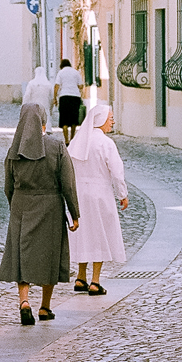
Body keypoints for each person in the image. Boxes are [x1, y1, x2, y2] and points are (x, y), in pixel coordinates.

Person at [0, 103, 81, 325]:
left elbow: (8, 186)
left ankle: (24, 302)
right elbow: (68, 184)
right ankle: (45, 307)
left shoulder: (13, 151)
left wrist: (15, 206)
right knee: (49, 255)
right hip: (51, 206)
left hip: (21, 206)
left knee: (21, 256)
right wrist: (74, 213)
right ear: (44, 122)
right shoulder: (56, 147)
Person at [66, 101, 128, 296]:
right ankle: (95, 281)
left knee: (84, 235)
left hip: (79, 194)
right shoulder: (106, 143)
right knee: (99, 235)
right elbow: (117, 172)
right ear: (101, 120)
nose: (113, 122)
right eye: (110, 119)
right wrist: (122, 194)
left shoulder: (78, 141)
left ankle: (80, 277)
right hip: (100, 194)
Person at [53, 58, 85, 145]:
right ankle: (72, 138)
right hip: (75, 97)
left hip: (64, 96)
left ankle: (66, 140)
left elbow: (56, 86)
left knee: (64, 119)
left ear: (61, 66)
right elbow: (81, 86)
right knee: (74, 118)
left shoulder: (61, 72)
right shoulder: (75, 72)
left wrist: (54, 98)